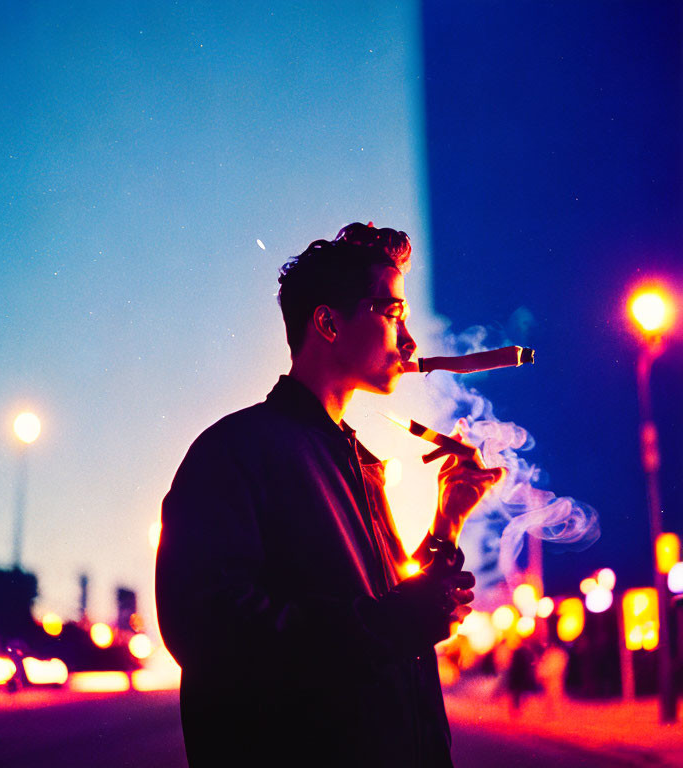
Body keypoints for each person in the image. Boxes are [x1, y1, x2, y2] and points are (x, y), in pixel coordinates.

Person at [155, 222, 504, 767]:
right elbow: (208, 631)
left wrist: (447, 520)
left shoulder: (359, 463)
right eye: (391, 314)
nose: (410, 342)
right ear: (327, 323)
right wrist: (391, 623)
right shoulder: (235, 451)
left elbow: (384, 607)